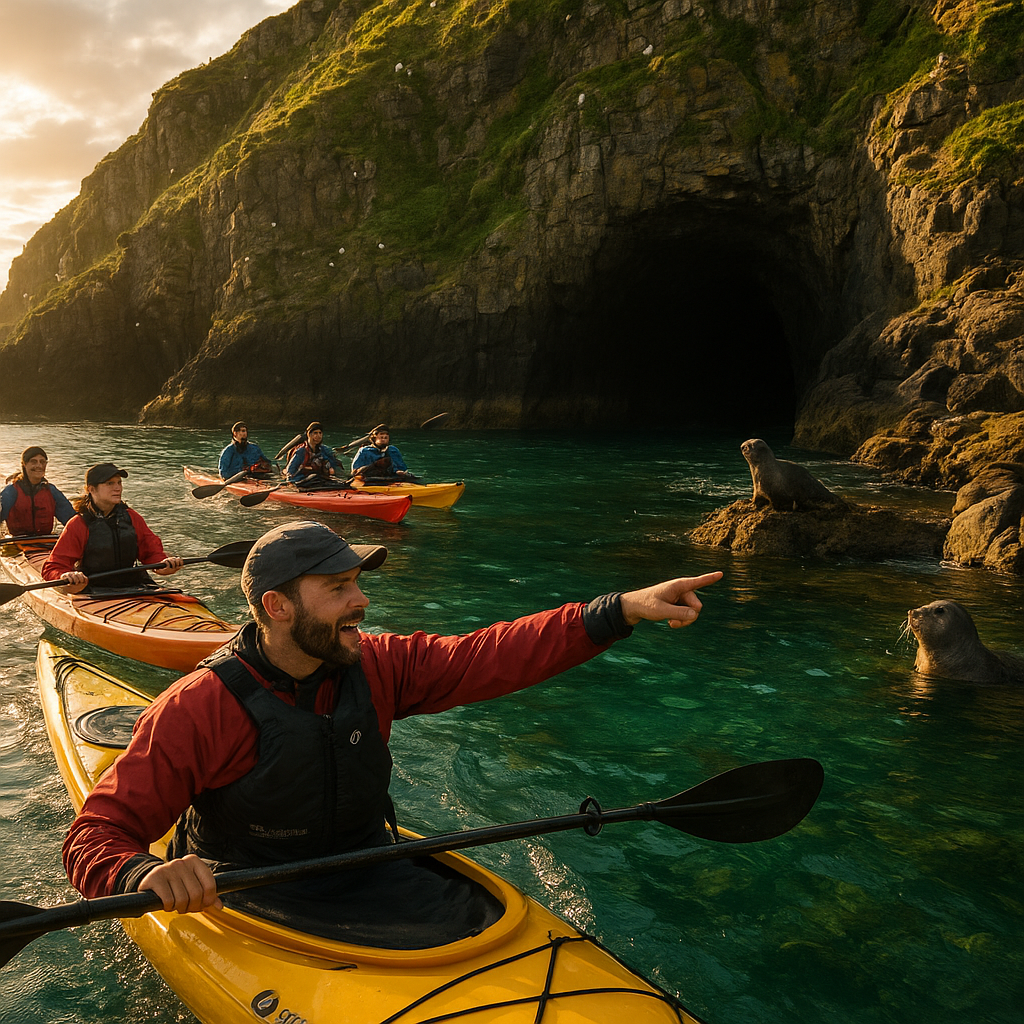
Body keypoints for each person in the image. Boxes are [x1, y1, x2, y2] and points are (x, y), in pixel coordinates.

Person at [62, 519, 723, 947]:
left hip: (364, 868)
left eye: (358, 584)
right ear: (277, 606)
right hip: (249, 896)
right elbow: (94, 837)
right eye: (340, 587)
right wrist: (141, 870)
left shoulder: (377, 666)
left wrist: (617, 611)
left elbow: (488, 655)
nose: (362, 600)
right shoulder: (200, 706)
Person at [41, 463, 185, 593]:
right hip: (94, 589)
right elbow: (53, 568)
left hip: (135, 585)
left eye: (119, 483)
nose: (117, 488)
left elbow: (151, 554)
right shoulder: (79, 524)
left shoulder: (131, 517)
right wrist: (66, 576)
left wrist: (165, 564)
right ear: (91, 489)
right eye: (110, 483)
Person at [1, 446, 75, 536]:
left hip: (46, 542)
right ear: (24, 464)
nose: (39, 466)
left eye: (42, 462)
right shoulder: (11, 491)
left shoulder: (52, 491)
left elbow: (71, 520)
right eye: (33, 461)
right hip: (17, 542)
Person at [350, 424, 415, 481]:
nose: (384, 438)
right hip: (370, 479)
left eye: (386, 436)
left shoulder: (393, 450)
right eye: (381, 436)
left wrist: (399, 472)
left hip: (392, 479)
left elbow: (402, 467)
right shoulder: (364, 451)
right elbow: (355, 471)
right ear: (374, 438)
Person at [285, 422, 342, 487]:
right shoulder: (301, 451)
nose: (318, 436)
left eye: (320, 433)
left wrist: (331, 468)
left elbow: (332, 462)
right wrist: (291, 483)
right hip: (301, 480)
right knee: (314, 477)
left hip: (319, 479)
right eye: (315, 433)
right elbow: (290, 470)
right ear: (309, 435)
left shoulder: (323, 450)